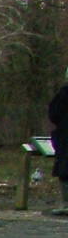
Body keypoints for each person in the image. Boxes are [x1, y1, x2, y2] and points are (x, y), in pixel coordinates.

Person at [50, 67, 68, 209]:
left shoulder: (62, 95)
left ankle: (66, 204)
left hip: (65, 139)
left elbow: (53, 115)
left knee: (65, 170)